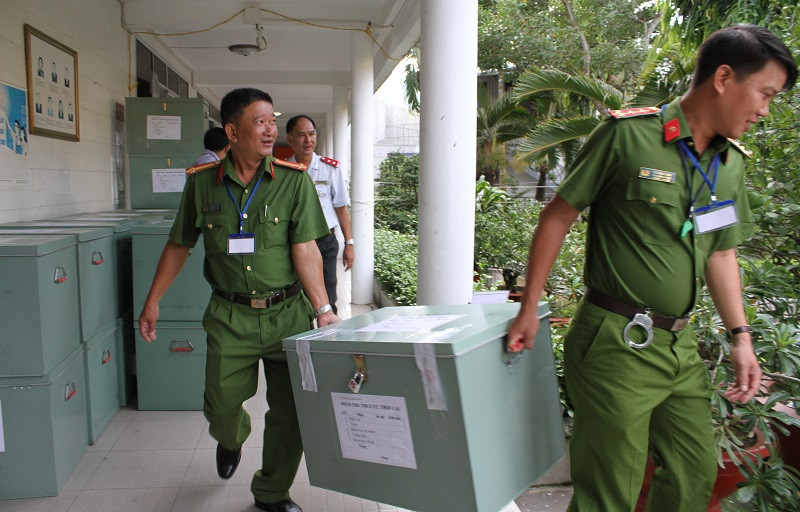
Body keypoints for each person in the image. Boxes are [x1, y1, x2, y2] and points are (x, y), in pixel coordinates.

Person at [506, 24, 797, 512]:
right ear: (724, 77)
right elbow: (558, 215)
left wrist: (741, 337)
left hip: (678, 346)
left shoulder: (729, 164)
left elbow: (721, 253)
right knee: (610, 490)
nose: (765, 111)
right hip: (617, 339)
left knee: (693, 471)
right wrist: (530, 307)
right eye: (764, 94)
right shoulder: (629, 136)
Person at [138, 88, 339, 512]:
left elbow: (306, 249)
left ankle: (271, 492)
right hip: (230, 315)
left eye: (272, 121)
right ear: (232, 131)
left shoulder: (293, 180)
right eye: (260, 122)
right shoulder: (200, 184)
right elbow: (179, 245)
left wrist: (323, 309)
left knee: (291, 415)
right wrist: (153, 300)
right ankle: (230, 440)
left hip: (288, 314)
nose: (270, 131)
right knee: (221, 405)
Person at [285, 115, 354, 314]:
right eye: (301, 135)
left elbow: (341, 207)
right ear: (290, 140)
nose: (308, 140)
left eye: (311, 134)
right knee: (298, 297)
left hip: (325, 241)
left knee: (328, 298)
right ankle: (302, 342)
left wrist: (349, 244)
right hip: (295, 242)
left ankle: (328, 341)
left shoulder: (330, 168)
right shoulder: (284, 171)